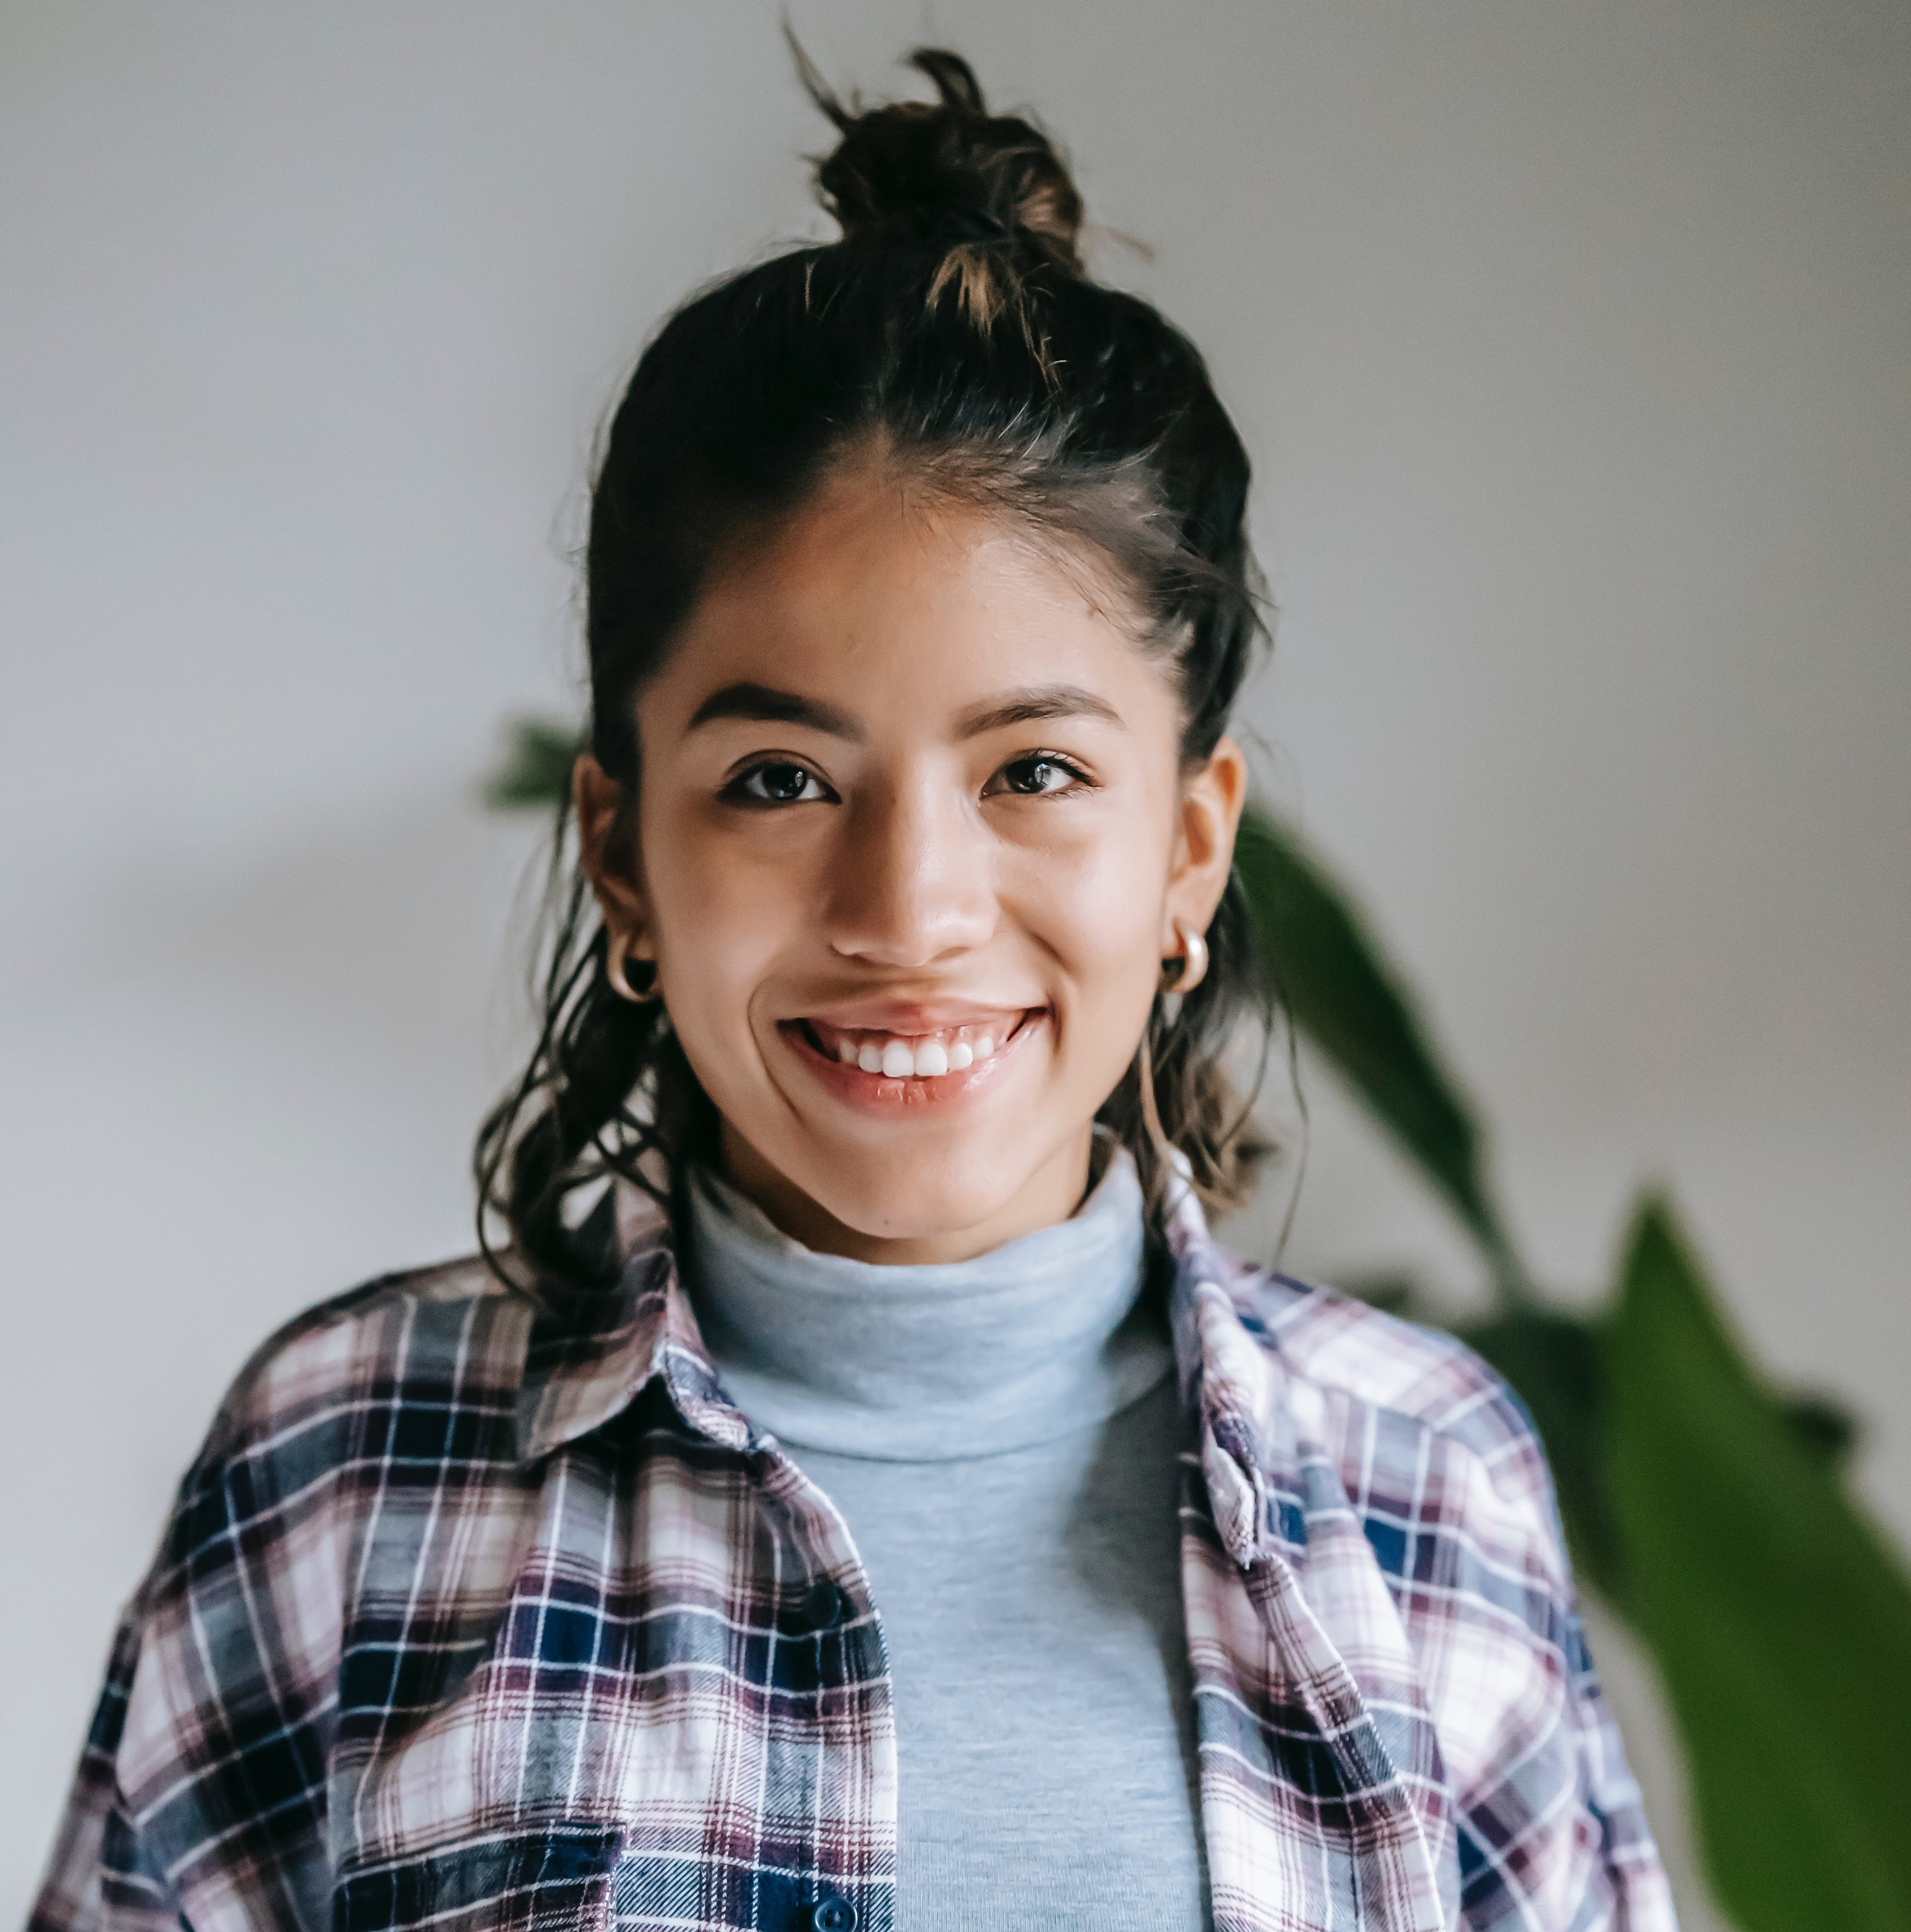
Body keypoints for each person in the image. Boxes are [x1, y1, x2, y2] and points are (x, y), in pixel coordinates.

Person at [31, 48, 1675, 1932]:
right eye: (781, 779)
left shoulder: (1426, 1481)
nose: (909, 908)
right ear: (627, 849)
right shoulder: (339, 1466)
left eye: (1035, 773)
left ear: (1191, 850)